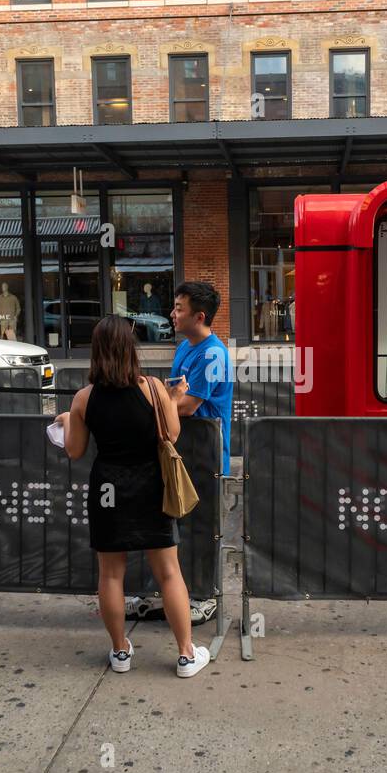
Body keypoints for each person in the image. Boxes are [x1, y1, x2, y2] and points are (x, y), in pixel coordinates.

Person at [54, 315, 210, 678]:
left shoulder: (84, 398)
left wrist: (66, 421)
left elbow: (75, 451)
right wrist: (172, 399)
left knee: (110, 575)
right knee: (169, 573)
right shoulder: (153, 388)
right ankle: (186, 655)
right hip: (151, 486)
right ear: (131, 349)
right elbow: (170, 436)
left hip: (107, 487)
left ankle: (120, 651)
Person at [167, 280, 234, 625]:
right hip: (182, 453)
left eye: (179, 308)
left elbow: (186, 405)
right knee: (179, 526)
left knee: (204, 528)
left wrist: (162, 400)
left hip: (206, 456)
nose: (173, 314)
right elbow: (172, 395)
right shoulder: (185, 347)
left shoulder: (212, 354)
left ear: (200, 316)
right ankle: (178, 592)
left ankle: (204, 596)